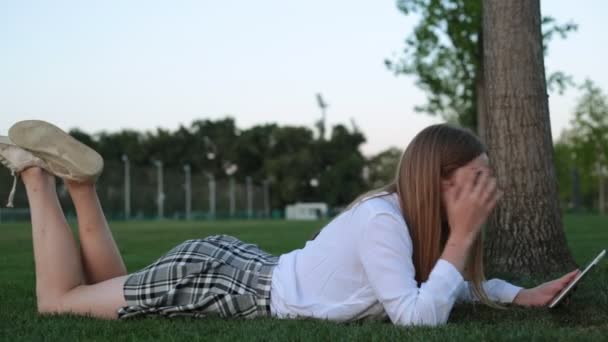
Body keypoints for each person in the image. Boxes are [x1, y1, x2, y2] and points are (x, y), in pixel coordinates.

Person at [0, 120, 580, 326]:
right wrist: (462, 237)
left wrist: (516, 293)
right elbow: (416, 317)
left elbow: (435, 287)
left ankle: (82, 185)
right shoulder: (385, 222)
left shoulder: (401, 218)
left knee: (113, 292)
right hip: (225, 284)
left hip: (241, 267)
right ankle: (34, 175)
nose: (489, 190)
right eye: (476, 179)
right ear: (440, 183)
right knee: (61, 301)